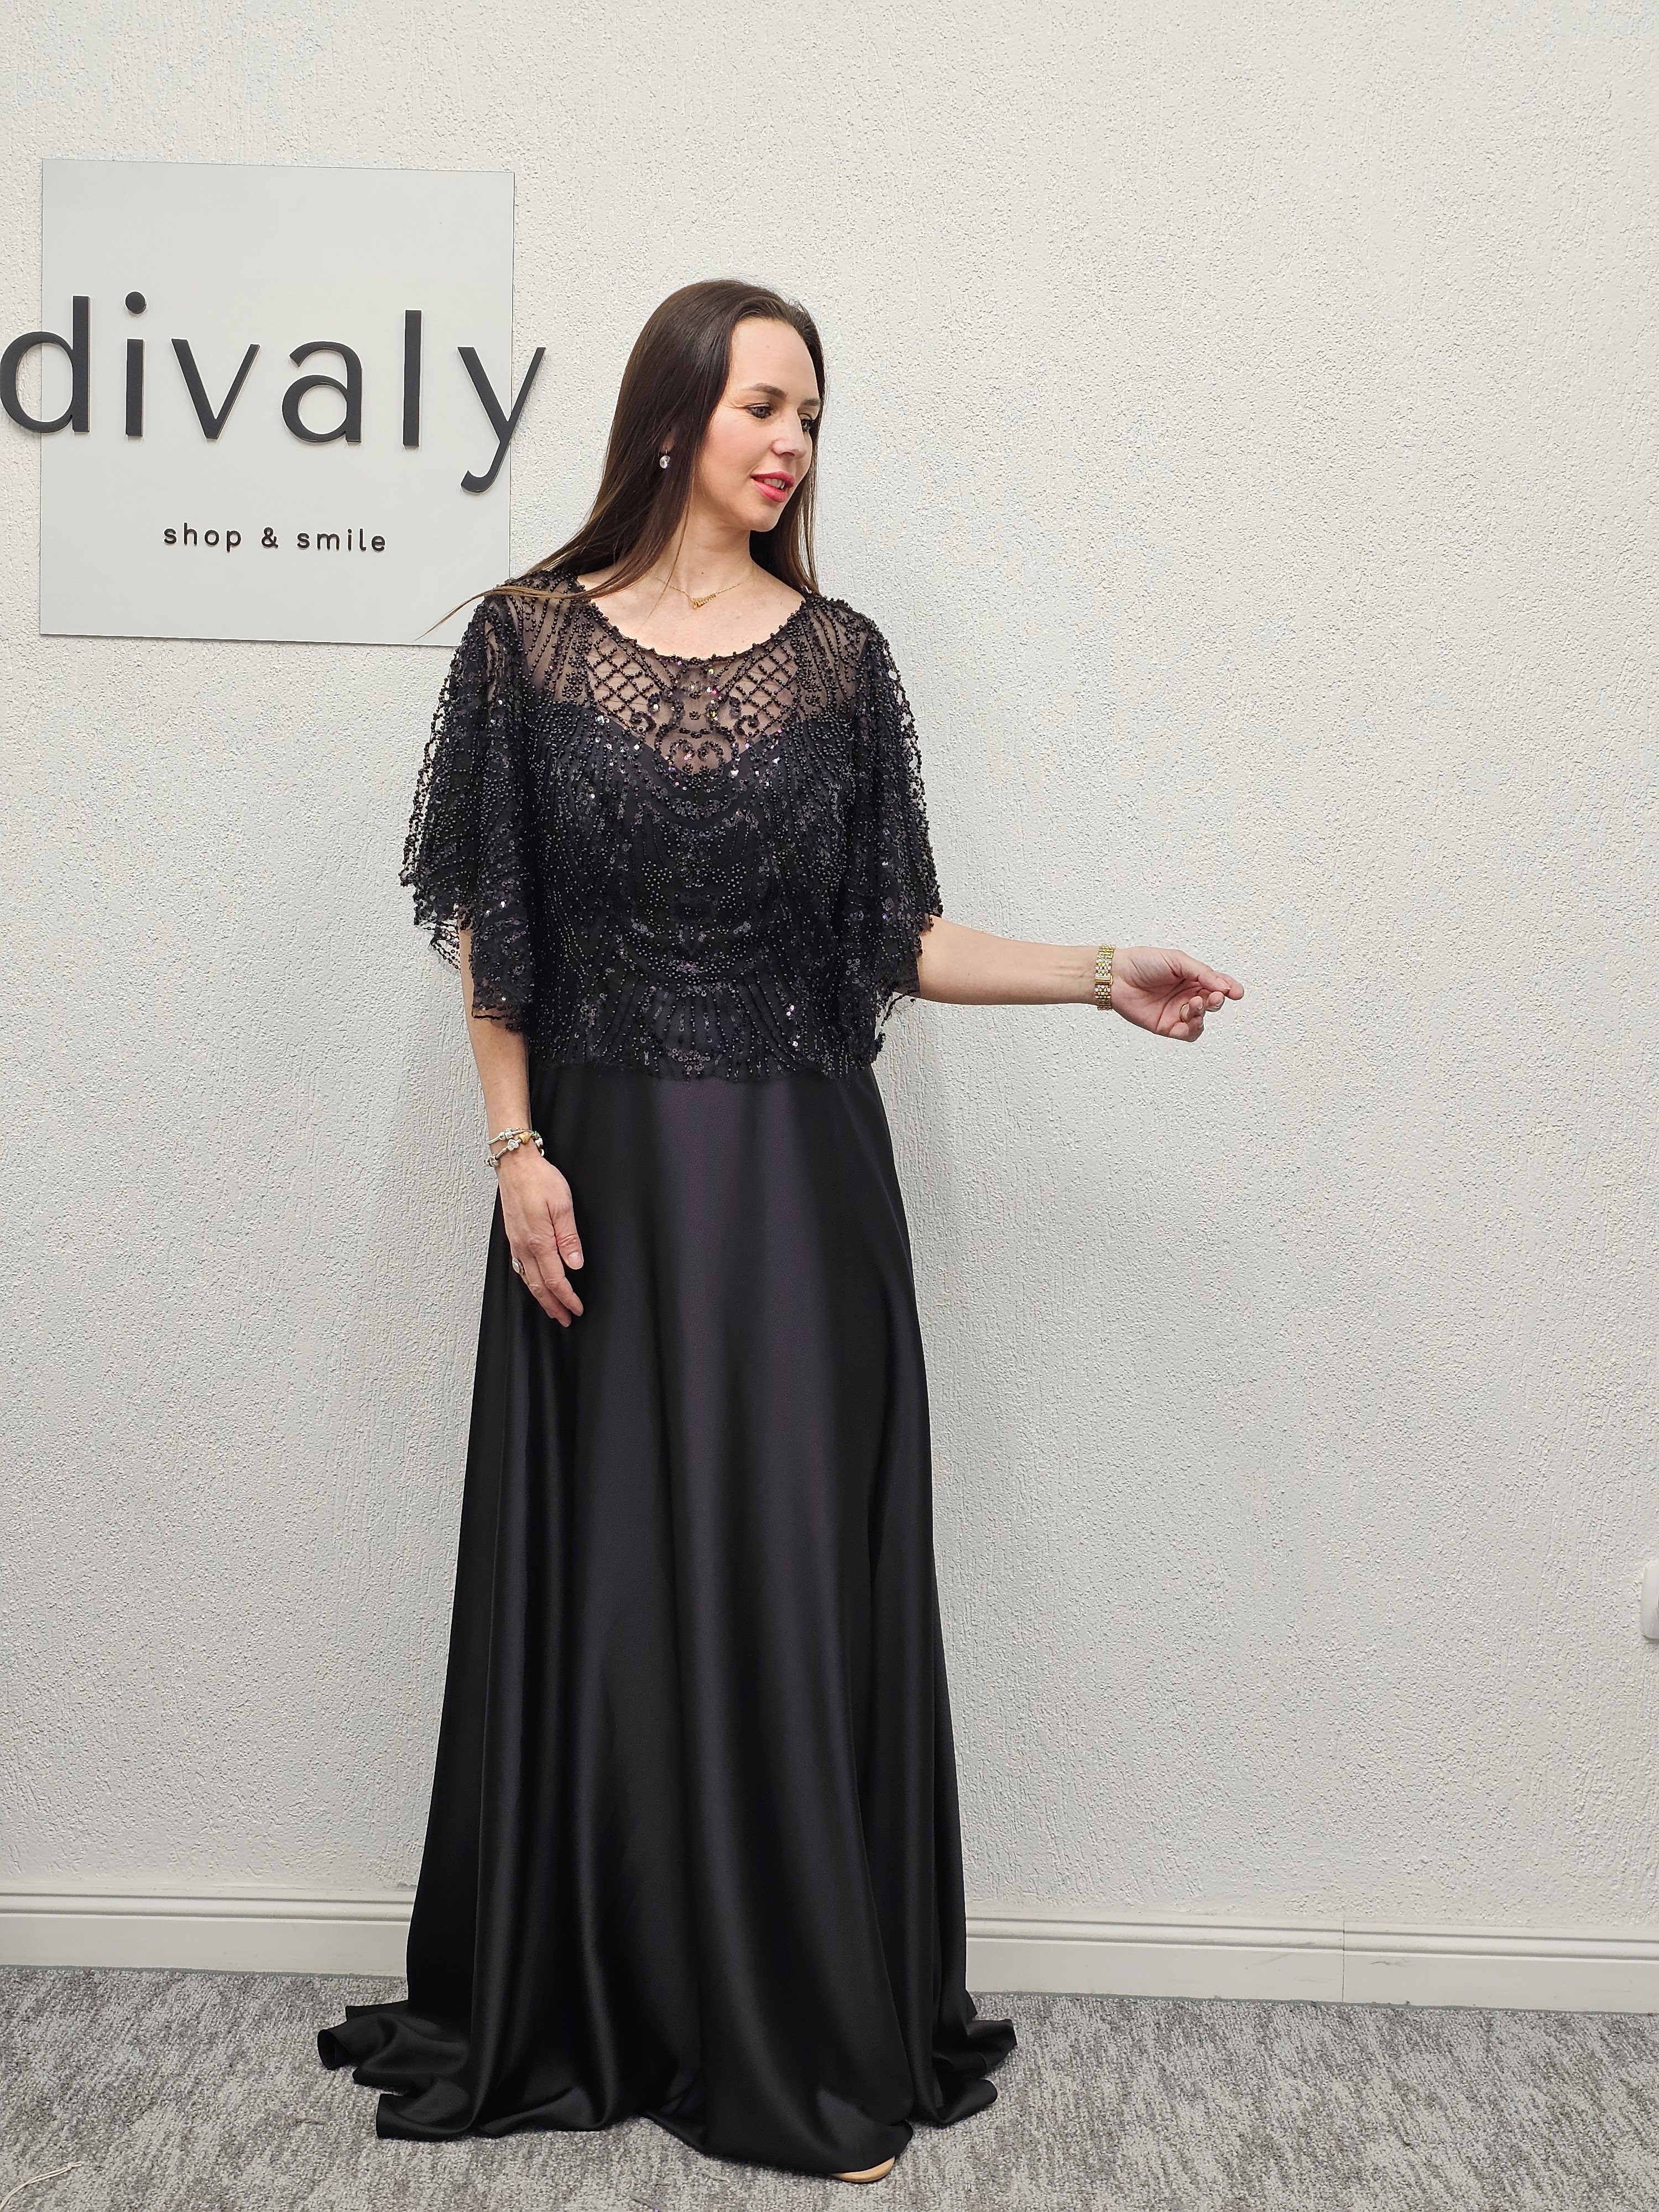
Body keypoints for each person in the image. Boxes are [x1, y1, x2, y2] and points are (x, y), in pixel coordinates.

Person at [316, 278, 1243, 2185]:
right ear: (673, 418)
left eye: (812, 414)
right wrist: (514, 1149)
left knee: (791, 1589)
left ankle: (801, 2035)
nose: (793, 443)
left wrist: (1099, 972)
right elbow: (495, 923)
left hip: (805, 1189)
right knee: (613, 1600)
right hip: (598, 1181)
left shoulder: (841, 664)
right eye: (763, 405)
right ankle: (608, 2002)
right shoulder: (522, 647)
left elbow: (896, 936)